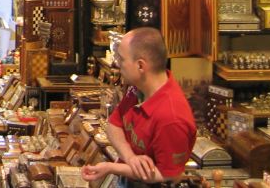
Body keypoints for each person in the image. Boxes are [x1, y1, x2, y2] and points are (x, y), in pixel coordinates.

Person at [81, 27, 196, 185]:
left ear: (141, 66)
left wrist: (111, 168)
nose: (116, 63)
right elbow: (114, 125)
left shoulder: (171, 118)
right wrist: (130, 158)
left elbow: (166, 174)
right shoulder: (138, 88)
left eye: (122, 59)